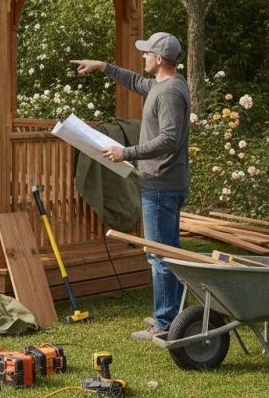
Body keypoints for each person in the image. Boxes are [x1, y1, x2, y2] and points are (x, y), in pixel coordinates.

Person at [71, 32, 190, 341]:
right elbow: (137, 82)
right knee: (166, 252)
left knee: (159, 254)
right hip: (159, 182)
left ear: (159, 59)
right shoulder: (161, 85)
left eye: (147, 53)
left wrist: (127, 153)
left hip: (162, 183)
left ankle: (165, 325)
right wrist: (103, 66)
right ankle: (170, 317)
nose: (143, 57)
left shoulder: (170, 93)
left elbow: (169, 139)